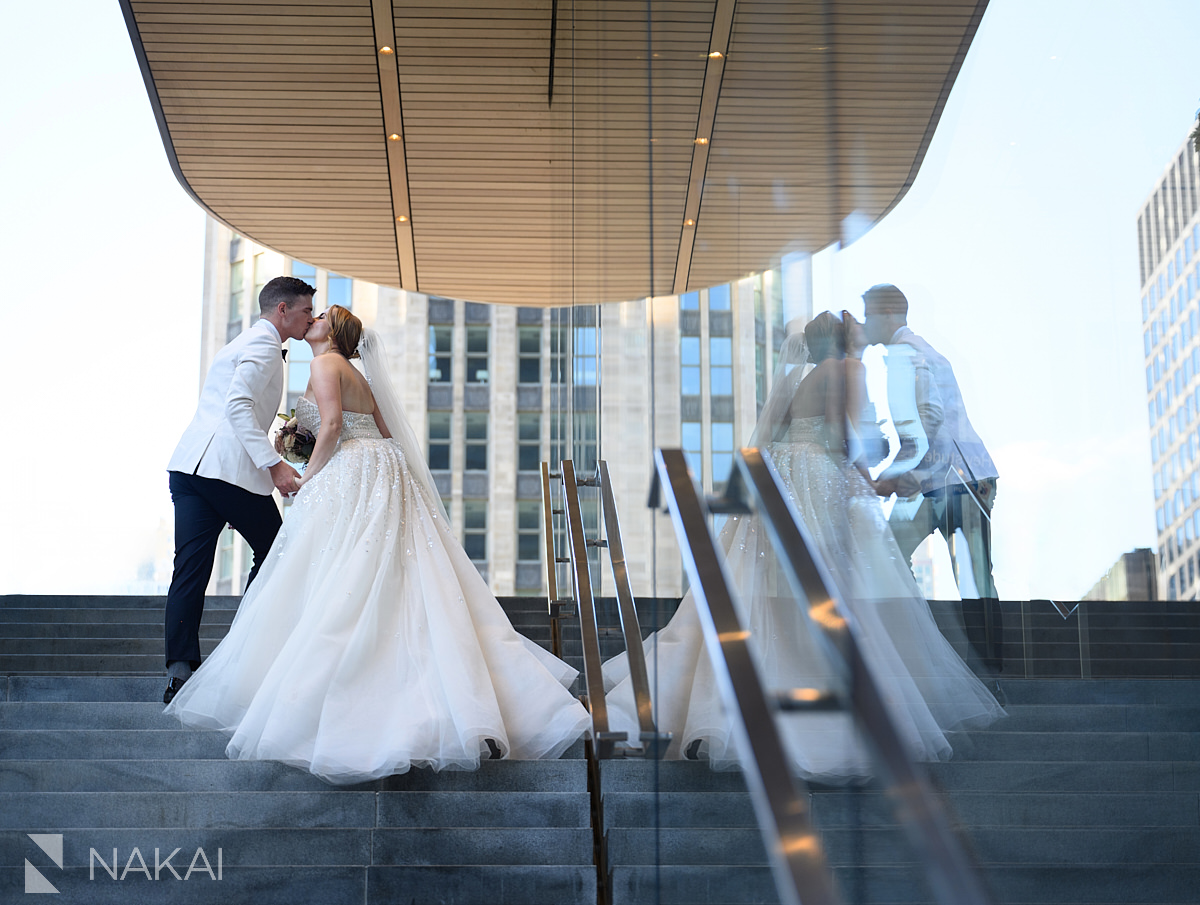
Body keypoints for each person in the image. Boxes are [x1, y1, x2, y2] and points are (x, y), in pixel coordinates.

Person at [166, 306, 591, 784]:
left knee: (340, 572)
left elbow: (329, 428)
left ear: (335, 331)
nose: (313, 319)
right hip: (382, 468)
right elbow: (384, 434)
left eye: (321, 316)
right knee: (392, 573)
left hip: (352, 468)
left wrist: (308, 477)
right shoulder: (358, 375)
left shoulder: (326, 364)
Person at [602, 311, 1002, 782]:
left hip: (782, 481)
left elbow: (775, 437)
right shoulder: (850, 369)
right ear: (840, 337)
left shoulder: (799, 379)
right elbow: (844, 437)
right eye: (851, 323)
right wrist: (873, 481)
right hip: (817, 481)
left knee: (758, 587)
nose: (858, 326)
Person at [163, 276, 315, 705]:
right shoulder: (266, 346)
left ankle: (179, 673)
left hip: (190, 468)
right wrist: (275, 465)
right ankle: (241, 653)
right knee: (278, 550)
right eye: (305, 311)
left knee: (190, 570)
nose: (309, 319)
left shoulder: (241, 342)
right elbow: (237, 405)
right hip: (228, 470)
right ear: (282, 310)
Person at [863, 284, 1001, 670]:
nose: (864, 322)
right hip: (958, 479)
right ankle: (976, 665)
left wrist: (908, 477)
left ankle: (959, 662)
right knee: (972, 578)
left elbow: (931, 419)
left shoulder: (907, 354)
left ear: (888, 313)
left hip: (955, 483)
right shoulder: (911, 351)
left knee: (963, 576)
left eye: (868, 314)